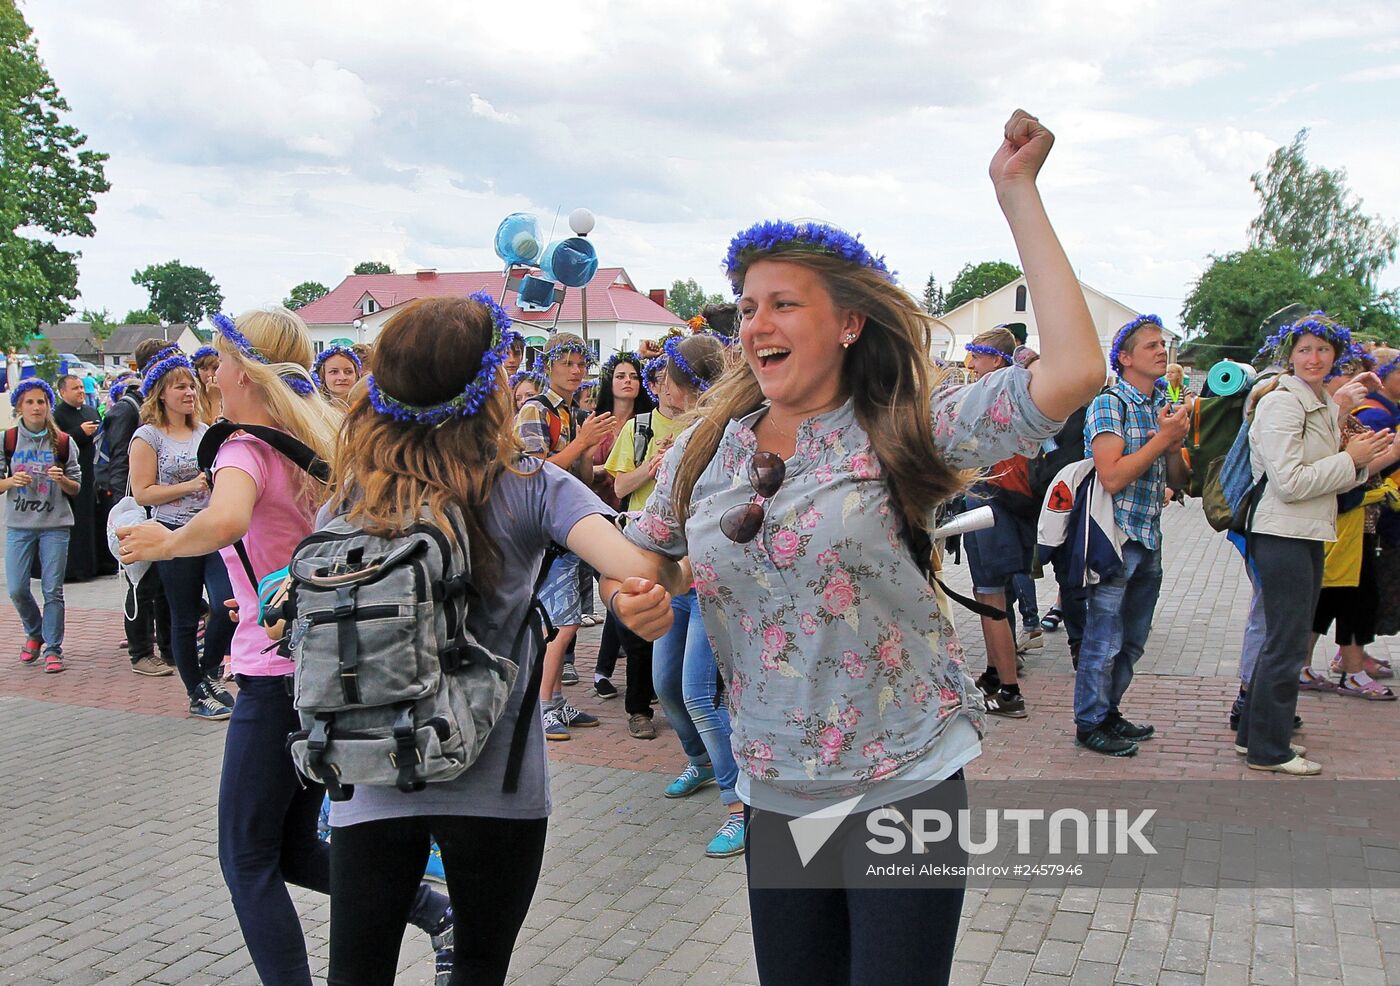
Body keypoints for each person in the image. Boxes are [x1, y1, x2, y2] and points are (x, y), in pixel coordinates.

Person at [617, 111, 1104, 986]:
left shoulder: (903, 429)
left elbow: (1072, 373)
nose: (756, 322)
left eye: (783, 303)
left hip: (903, 779)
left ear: (846, 324)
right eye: (747, 307)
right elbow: (648, 554)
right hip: (775, 787)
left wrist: (1017, 195)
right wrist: (645, 593)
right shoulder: (709, 447)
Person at [317, 294, 680, 986]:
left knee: (355, 974)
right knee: (479, 967)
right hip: (496, 776)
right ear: (492, 386)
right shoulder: (531, 485)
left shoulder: (355, 494)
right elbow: (636, 565)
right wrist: (669, 580)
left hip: (370, 769)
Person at [117, 307, 452, 986]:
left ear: (243, 369)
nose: (212, 375)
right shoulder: (317, 433)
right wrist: (261, 584)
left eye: (216, 361)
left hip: (276, 676)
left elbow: (229, 517)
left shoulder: (244, 446)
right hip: (325, 664)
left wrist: (165, 540)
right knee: (295, 850)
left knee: (244, 858)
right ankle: (436, 910)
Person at [1236, 314, 1395, 774]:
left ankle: (1256, 738)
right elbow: (1290, 481)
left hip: (1304, 531)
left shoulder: (1320, 401)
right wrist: (1352, 459)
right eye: (1305, 349)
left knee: (1281, 640)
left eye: (1323, 350)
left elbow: (1328, 474)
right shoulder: (1283, 404)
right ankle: (1270, 748)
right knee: (1285, 643)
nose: (1314, 358)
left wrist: (1364, 464)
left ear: (1335, 356)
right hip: (1282, 531)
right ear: (1289, 355)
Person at [641, 334, 748, 855]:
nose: (658, 385)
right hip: (676, 581)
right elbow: (650, 525)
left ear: (686, 385)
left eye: (666, 377)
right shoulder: (679, 439)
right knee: (664, 684)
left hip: (712, 582)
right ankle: (703, 762)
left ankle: (738, 803)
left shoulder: (731, 436)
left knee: (699, 695)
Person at [1073, 314, 1190, 756]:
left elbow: (1179, 479)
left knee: (1133, 639)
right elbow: (1112, 476)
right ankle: (1089, 723)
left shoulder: (1160, 402)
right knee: (1103, 640)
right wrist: (1163, 440)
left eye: (1163, 345)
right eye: (1150, 346)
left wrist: (1175, 446)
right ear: (1124, 358)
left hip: (1148, 538)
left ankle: (1109, 712)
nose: (1162, 351)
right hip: (1115, 539)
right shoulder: (1110, 404)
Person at [513, 333, 615, 740]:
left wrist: (587, 451)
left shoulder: (573, 413)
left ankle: (553, 699)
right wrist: (581, 443)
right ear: (548, 365)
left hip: (567, 529)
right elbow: (533, 473)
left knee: (566, 619)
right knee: (561, 623)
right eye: (568, 363)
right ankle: (543, 704)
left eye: (581, 364)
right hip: (546, 532)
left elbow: (581, 478)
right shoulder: (534, 410)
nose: (577, 371)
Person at [128, 350, 238, 720]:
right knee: (184, 616)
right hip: (171, 532)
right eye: (180, 387)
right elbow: (143, 492)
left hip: (209, 530)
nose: (189, 392)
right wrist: (189, 485)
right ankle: (196, 691)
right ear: (161, 393)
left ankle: (209, 674)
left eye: (191, 385)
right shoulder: (149, 437)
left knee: (226, 604)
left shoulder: (204, 431)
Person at [1301, 351, 1400, 699]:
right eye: (1351, 374)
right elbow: (1342, 476)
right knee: (1346, 595)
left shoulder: (1341, 416)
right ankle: (1350, 669)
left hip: (1357, 521)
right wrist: (1392, 454)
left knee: (1342, 596)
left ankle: (1311, 664)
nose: (1359, 383)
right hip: (1345, 520)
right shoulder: (1342, 417)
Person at [960, 327, 1039, 716]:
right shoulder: (1012, 392)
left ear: (995, 359)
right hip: (997, 504)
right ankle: (994, 672)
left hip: (995, 505)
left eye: (977, 356)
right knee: (988, 594)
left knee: (991, 596)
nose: (971, 365)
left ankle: (1009, 692)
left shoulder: (1000, 395)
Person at [589, 351, 656, 710]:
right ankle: (604, 671)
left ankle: (611, 670)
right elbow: (592, 469)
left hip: (634, 515)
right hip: (603, 513)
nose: (627, 381)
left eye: (633, 375)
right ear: (610, 383)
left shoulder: (648, 421)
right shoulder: (599, 421)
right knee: (615, 589)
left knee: (628, 591)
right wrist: (606, 469)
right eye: (620, 376)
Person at [3, 378, 82, 672]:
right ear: (19, 407)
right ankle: (34, 632)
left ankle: (53, 647)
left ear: (49, 405)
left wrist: (62, 480)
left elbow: (77, 487)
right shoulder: (7, 440)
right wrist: (11, 481)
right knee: (17, 588)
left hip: (55, 524)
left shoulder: (62, 441)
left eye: (41, 402)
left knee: (53, 590)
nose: (36, 407)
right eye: (30, 402)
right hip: (19, 525)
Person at [53, 373, 102, 582]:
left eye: (82, 387)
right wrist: (80, 432)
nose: (81, 392)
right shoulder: (58, 416)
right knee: (77, 521)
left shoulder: (90, 410)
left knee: (93, 519)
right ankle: (75, 569)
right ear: (63, 392)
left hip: (92, 472)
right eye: (75, 388)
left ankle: (94, 565)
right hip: (70, 475)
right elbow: (56, 442)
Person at [192, 345, 223, 423]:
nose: (210, 374)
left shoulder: (233, 395)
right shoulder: (193, 398)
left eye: (215, 368)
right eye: (204, 369)